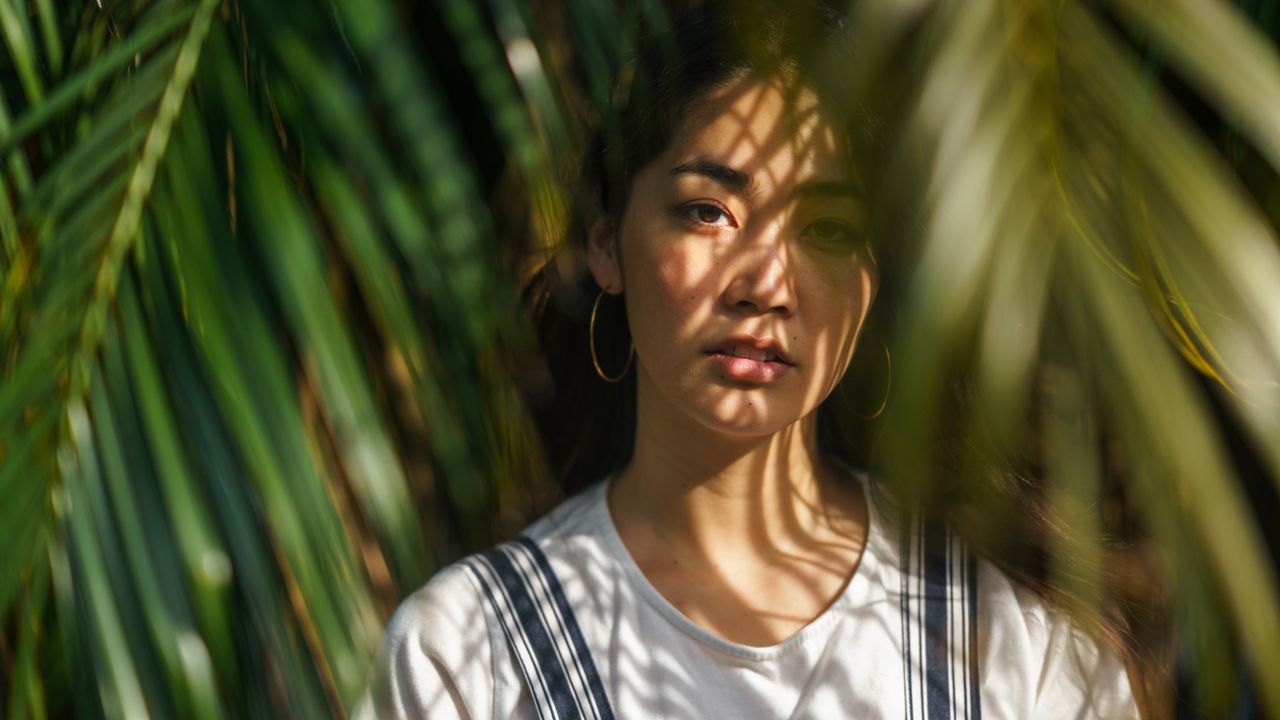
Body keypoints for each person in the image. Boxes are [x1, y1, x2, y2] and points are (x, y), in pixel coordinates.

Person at [354, 2, 1141, 717]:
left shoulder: (1019, 655)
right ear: (604, 238)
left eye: (827, 229)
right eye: (709, 212)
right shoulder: (468, 661)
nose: (767, 284)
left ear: (874, 281)